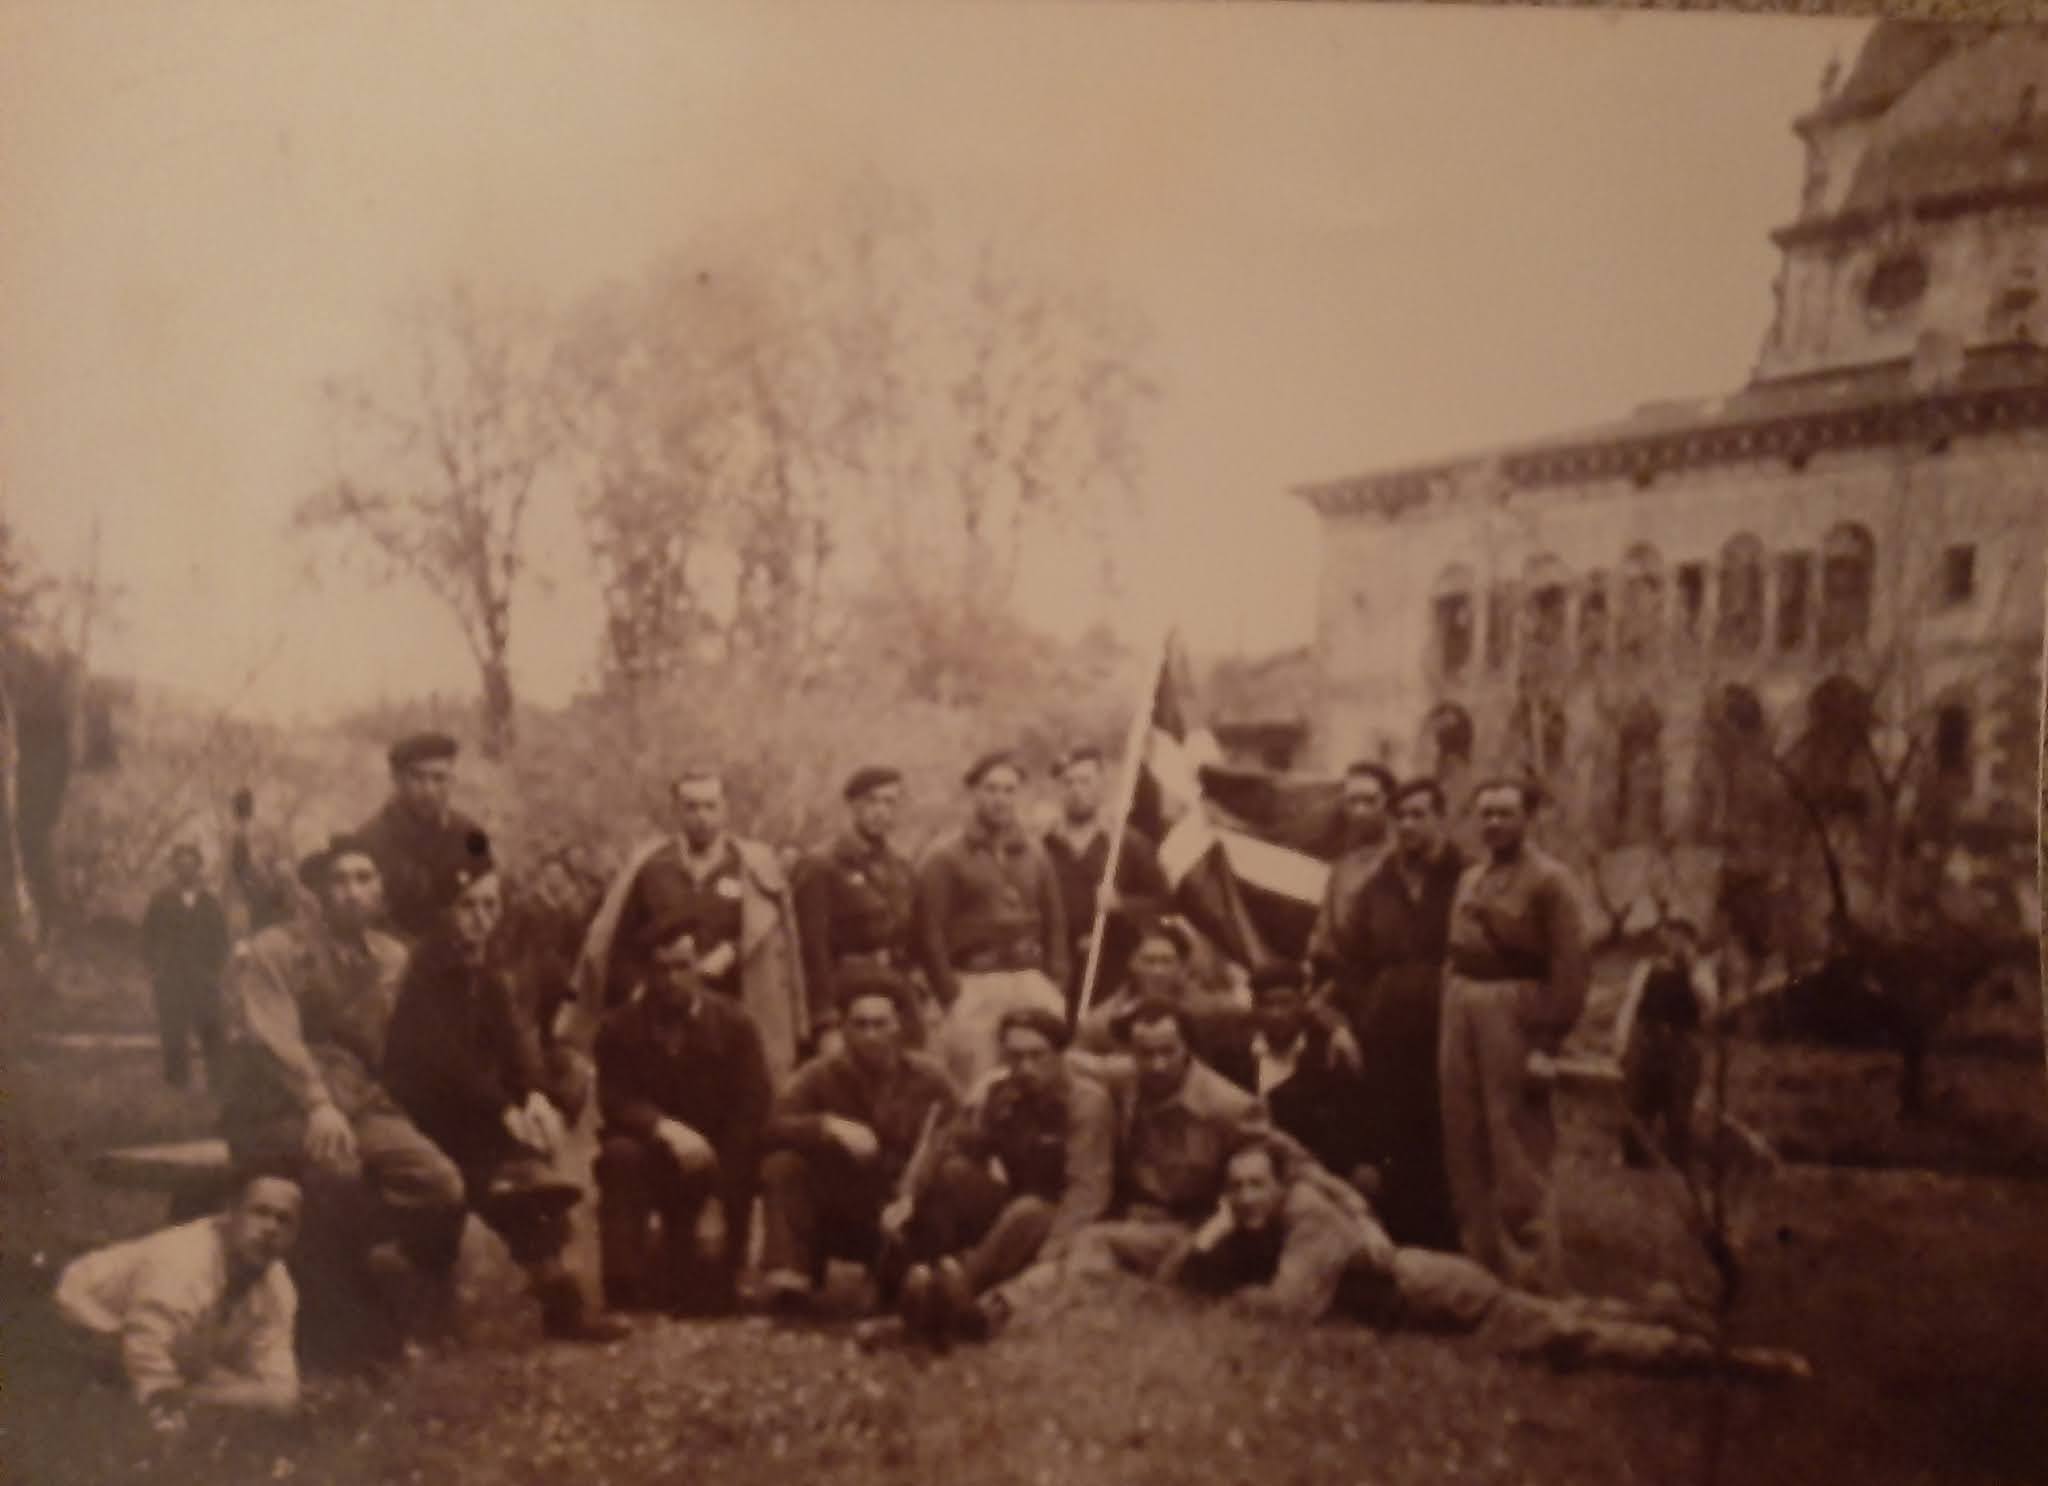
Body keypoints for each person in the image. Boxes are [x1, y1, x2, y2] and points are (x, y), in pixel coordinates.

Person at [1164, 1133, 1807, 1380]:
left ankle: (1741, 1363)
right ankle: (1673, 1315)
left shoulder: (1308, 1219)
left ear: (1279, 1186)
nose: (1245, 1198)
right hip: (1439, 1285)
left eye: (1256, 1185)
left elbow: (1287, 1311)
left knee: (1578, 1339)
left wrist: (1230, 1289)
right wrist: (1212, 1232)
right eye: (1235, 1189)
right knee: (1571, 1312)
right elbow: (1177, 1279)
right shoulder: (1272, 1215)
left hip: (1447, 1301)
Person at [217, 834, 468, 1356]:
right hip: (275, 1105)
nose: (352, 892)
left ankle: (362, 1272)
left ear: (381, 891)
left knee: (440, 1184)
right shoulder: (277, 950)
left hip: (356, 1104)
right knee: (338, 1174)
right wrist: (317, 1103)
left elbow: (404, 1045)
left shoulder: (391, 958)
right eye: (339, 880)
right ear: (317, 892)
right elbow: (273, 1039)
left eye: (364, 878)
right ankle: (335, 1327)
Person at [380, 838, 626, 1343]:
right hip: (424, 1118)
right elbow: (443, 1063)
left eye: (490, 906)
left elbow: (516, 1044)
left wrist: (533, 1095)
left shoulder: (489, 973)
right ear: (447, 912)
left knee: (533, 1182)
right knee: (478, 1181)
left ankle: (563, 1302)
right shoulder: (426, 973)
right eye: (467, 907)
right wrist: (503, 1109)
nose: (480, 919)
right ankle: (422, 1306)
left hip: (476, 1118)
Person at [1439, 778, 1590, 1293]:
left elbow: (1571, 968)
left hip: (1515, 1009)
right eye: (1485, 814)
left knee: (1515, 1143)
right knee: (1464, 1136)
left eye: (1504, 813)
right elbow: (1454, 951)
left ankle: (1534, 1277)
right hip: (1461, 1004)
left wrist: (1547, 1044)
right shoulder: (1469, 878)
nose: (1493, 824)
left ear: (1529, 817)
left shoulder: (1552, 881)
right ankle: (1481, 1270)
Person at [895, 1005, 1115, 1345]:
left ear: (1060, 1055)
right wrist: (909, 1196)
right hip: (1014, 1209)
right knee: (954, 1174)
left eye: (1037, 1056)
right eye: (1015, 1057)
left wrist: (1052, 1257)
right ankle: (926, 1271)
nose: (1025, 1067)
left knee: (1028, 1211)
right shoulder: (1004, 1094)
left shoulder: (1086, 1103)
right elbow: (956, 1143)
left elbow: (1087, 1193)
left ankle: (954, 1291)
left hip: (1062, 1217)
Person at [574, 768, 812, 1078]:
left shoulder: (751, 866)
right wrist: (638, 995)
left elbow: (776, 942)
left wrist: (733, 951)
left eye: (710, 806)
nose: (702, 817)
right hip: (664, 1015)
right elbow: (620, 946)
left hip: (734, 1009)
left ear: (725, 809)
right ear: (676, 811)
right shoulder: (652, 867)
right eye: (692, 807)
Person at [593, 912, 773, 1315]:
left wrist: (718, 1200)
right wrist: (663, 1127)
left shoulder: (736, 1026)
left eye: (682, 966)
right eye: (660, 969)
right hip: (653, 1157)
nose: (671, 979)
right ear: (646, 973)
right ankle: (624, 1282)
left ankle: (702, 1257)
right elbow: (615, 1101)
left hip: (718, 1165)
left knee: (709, 1300)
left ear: (699, 966)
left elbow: (750, 1117)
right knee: (619, 1155)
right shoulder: (619, 1028)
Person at [757, 970, 958, 1315]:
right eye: (860, 1025)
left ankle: (925, 1276)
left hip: (908, 1207)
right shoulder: (819, 1074)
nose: (870, 1035)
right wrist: (826, 1125)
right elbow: (770, 1128)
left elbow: (957, 1133)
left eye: (880, 1024)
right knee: (782, 1166)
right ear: (844, 1030)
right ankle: (789, 1281)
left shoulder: (931, 1079)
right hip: (842, 1206)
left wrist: (914, 1190)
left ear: (899, 1027)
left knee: (954, 1177)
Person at [1329, 776, 1469, 1250]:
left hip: (1448, 1028)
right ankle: (1395, 1244)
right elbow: (1349, 963)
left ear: (1441, 818)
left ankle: (1448, 1244)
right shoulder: (1378, 887)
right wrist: (1346, 1023)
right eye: (1401, 816)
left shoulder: (1466, 878)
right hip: (1385, 1032)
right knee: (1391, 1134)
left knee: (1445, 1133)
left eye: (1418, 814)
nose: (1408, 825)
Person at [53, 1165, 304, 1417]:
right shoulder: (183, 1260)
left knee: (278, 1399)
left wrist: (255, 1395)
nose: (271, 1228)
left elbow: (280, 1386)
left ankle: (189, 1396)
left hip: (181, 1341)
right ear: (230, 1214)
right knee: (141, 1388)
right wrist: (168, 1398)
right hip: (89, 1310)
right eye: (260, 1212)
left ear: (295, 1235)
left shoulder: (277, 1285)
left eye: (284, 1220)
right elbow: (146, 1352)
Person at [916, 751, 1070, 1089]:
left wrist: (1056, 981)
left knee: (1045, 1078)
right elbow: (929, 933)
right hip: (974, 984)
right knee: (977, 1083)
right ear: (973, 792)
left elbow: (1055, 922)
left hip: (1030, 979)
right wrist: (950, 994)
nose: (1001, 799)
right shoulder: (944, 856)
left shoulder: (1036, 853)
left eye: (1009, 790)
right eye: (991, 789)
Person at [791, 766, 920, 1040]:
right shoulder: (821, 864)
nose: (881, 811)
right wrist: (825, 1020)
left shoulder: (901, 867)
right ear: (852, 805)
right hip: (846, 996)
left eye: (890, 802)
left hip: (895, 993)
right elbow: (812, 950)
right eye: (871, 801)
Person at [1040, 745, 1169, 1019]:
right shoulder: (1043, 845)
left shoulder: (1127, 842)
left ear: (1101, 784)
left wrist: (1122, 904)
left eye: (1085, 781)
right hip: (1058, 966)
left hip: (1116, 965)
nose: (1076, 790)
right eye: (1068, 783)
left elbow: (1164, 901)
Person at [1233, 963, 1373, 1191]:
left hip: (1319, 1174)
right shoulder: (1235, 1058)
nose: (1277, 1014)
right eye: (1267, 1004)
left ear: (1302, 1004)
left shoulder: (1326, 1053)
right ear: (1255, 1007)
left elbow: (1352, 1118)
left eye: (1285, 1003)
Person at [353, 732, 489, 943]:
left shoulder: (470, 833)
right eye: (417, 778)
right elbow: (363, 921)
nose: (429, 790)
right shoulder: (369, 840)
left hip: (461, 948)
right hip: (395, 953)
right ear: (397, 780)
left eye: (439, 778)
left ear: (452, 780)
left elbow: (489, 896)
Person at [1612, 917, 1718, 1170]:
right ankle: (1632, 1158)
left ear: (1691, 940)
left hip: (1681, 1043)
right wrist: (1621, 1040)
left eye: (1682, 936)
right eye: (1671, 934)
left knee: (1679, 1105)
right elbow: (1630, 1004)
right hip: (1647, 1039)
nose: (1675, 941)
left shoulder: (1701, 971)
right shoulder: (1646, 968)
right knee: (1637, 1098)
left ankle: (1676, 1161)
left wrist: (1691, 971)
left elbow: (1710, 1008)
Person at [140, 842, 232, 1089]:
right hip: (171, 977)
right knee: (173, 1032)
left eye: (191, 865)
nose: (186, 870)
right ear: (174, 868)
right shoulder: (161, 901)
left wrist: (214, 970)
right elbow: (147, 937)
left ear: (199, 867)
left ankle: (218, 1083)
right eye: (180, 865)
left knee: (212, 1028)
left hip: (203, 977)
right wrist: (154, 970)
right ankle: (177, 1085)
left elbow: (222, 940)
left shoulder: (209, 902)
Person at [1304, 760, 1397, 998]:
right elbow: (1324, 936)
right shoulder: (1342, 866)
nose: (1360, 811)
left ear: (1389, 802)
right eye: (1352, 801)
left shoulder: (1403, 860)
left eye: (1370, 800)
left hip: (1390, 986)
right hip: (1345, 986)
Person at [221, 786, 294, 939]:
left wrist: (275, 880)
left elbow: (278, 858)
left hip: (264, 887)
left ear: (251, 805)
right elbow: (228, 867)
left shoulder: (265, 829)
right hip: (239, 889)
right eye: (238, 803)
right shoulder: (230, 833)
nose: (241, 807)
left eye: (245, 803)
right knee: (241, 931)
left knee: (267, 927)